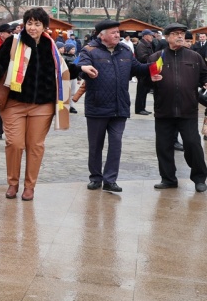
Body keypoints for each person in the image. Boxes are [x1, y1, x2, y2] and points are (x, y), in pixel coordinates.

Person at [0, 8, 70, 202]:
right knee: (15, 144)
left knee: (35, 146)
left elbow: (62, 69)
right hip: (14, 103)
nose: (33, 27)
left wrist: (82, 68)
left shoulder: (51, 46)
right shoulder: (14, 42)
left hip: (42, 106)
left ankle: (29, 186)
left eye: (37, 24)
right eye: (29, 23)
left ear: (44, 27)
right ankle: (13, 183)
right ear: (24, 25)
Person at [77, 20, 156, 193]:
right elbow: (79, 65)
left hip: (120, 107)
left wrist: (156, 66)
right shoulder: (89, 50)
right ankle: (95, 178)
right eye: (113, 32)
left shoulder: (126, 51)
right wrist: (85, 68)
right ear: (102, 35)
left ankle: (110, 180)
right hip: (97, 106)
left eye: (118, 32)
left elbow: (139, 69)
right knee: (95, 145)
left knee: (116, 143)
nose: (117, 35)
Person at [147, 23, 207, 192]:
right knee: (163, 147)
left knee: (193, 144)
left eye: (182, 33)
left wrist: (205, 82)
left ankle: (199, 178)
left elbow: (204, 75)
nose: (180, 36)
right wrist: (151, 80)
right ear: (167, 37)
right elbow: (146, 81)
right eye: (175, 34)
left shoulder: (194, 57)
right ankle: (168, 179)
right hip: (163, 110)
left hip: (188, 109)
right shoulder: (156, 58)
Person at [133, 29, 156, 115]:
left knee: (144, 90)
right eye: (150, 35)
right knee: (141, 91)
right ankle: (139, 109)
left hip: (146, 70)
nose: (152, 37)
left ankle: (142, 107)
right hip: (142, 70)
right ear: (145, 36)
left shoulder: (147, 44)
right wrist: (153, 58)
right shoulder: (141, 45)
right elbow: (143, 58)